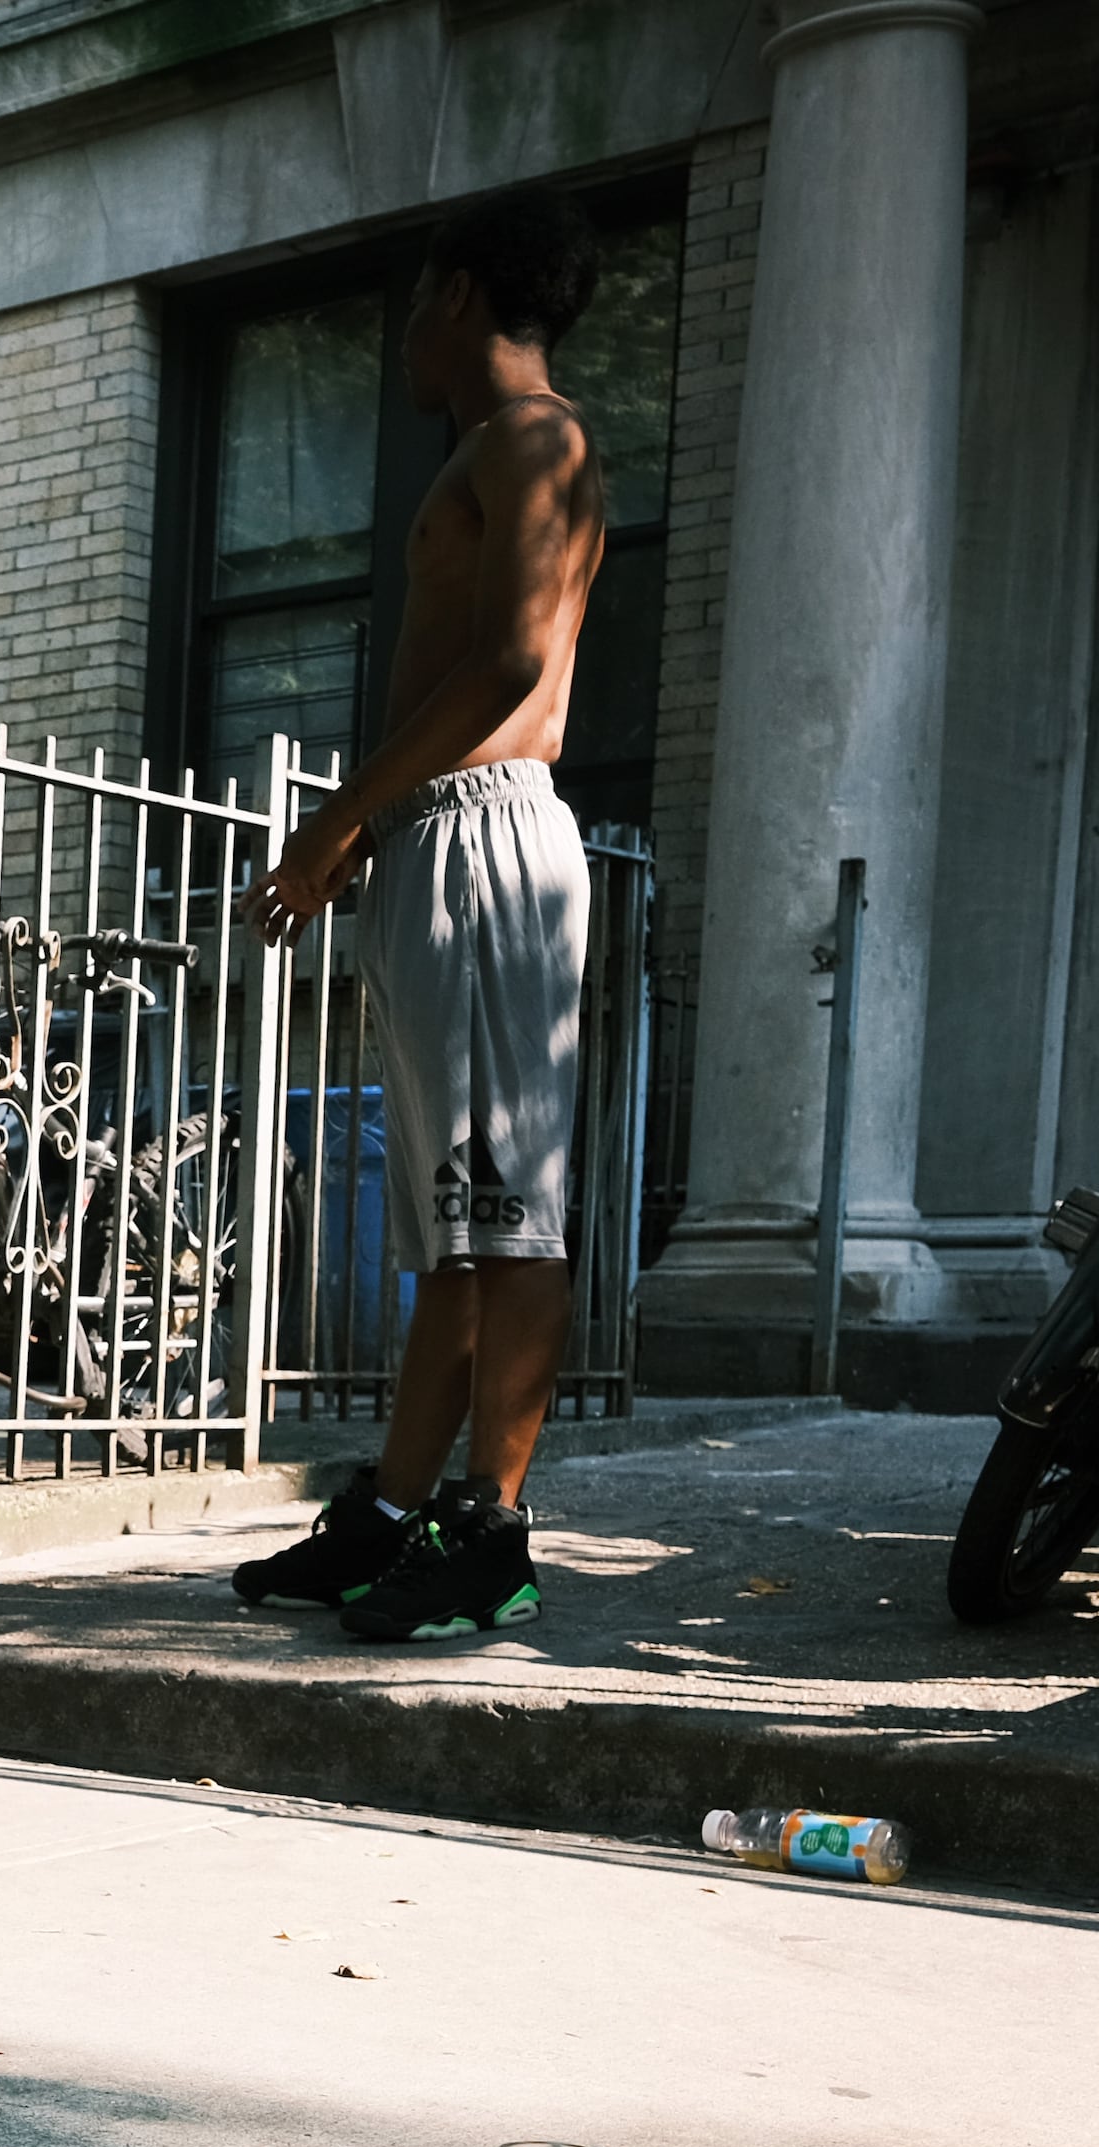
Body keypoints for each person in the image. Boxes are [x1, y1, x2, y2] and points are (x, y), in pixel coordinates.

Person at [233, 189, 614, 1643]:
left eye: (410, 304)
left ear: (456, 295)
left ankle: (494, 1531)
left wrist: (339, 816)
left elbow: (515, 661)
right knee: (458, 1226)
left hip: (487, 834)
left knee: (510, 1218)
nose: (402, 334)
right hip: (437, 842)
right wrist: (369, 826)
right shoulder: (492, 449)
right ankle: (391, 1517)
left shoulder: (537, 439)